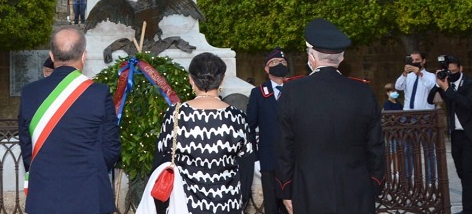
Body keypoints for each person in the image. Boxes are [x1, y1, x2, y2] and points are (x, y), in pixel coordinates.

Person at [276, 18, 385, 214]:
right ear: (341, 58)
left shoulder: (293, 91)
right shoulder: (363, 91)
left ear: (311, 57)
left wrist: (286, 189)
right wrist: (375, 184)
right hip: (356, 189)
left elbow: (285, 146)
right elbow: (375, 144)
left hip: (309, 189)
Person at [18, 26, 120, 214]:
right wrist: (91, 169)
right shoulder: (99, 93)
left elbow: (26, 149)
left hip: (43, 196)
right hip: (89, 195)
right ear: (84, 56)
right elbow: (111, 148)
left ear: (52, 55)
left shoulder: (29, 93)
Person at [152, 52, 251, 213]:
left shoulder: (175, 114)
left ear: (191, 79)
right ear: (222, 79)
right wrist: (241, 198)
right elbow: (246, 166)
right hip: (227, 204)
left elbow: (160, 159)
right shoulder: (237, 117)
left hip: (183, 204)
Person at [428, 55, 472, 214]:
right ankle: (471, 207)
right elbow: (430, 99)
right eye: (448, 71)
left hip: (471, 135)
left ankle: (470, 209)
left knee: (469, 172)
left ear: (461, 69)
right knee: (461, 172)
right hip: (456, 135)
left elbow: (468, 103)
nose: (451, 74)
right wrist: (438, 84)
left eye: (454, 71)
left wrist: (447, 89)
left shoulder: (471, 84)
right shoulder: (446, 85)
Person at [246, 48, 289, 214]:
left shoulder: (295, 91)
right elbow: (249, 127)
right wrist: (255, 157)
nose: (279, 65)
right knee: (271, 205)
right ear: (266, 68)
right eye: (274, 63)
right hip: (268, 159)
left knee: (293, 205)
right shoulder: (258, 93)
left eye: (283, 62)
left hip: (293, 159)